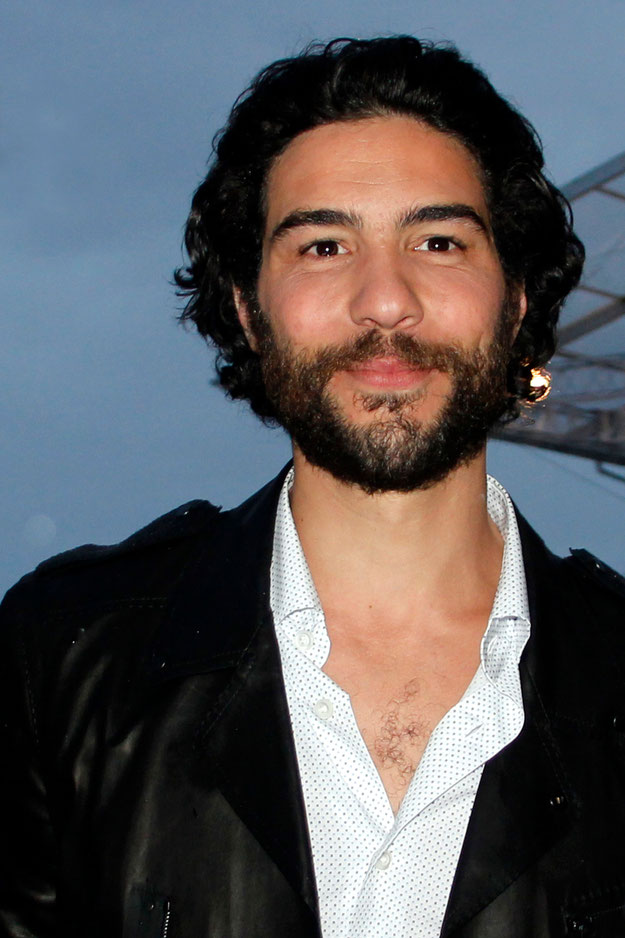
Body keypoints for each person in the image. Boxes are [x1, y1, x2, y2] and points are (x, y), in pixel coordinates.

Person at [2, 35, 625, 938]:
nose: (384, 299)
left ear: (515, 297)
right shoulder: (59, 663)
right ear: (249, 308)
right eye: (325, 244)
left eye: (439, 239)